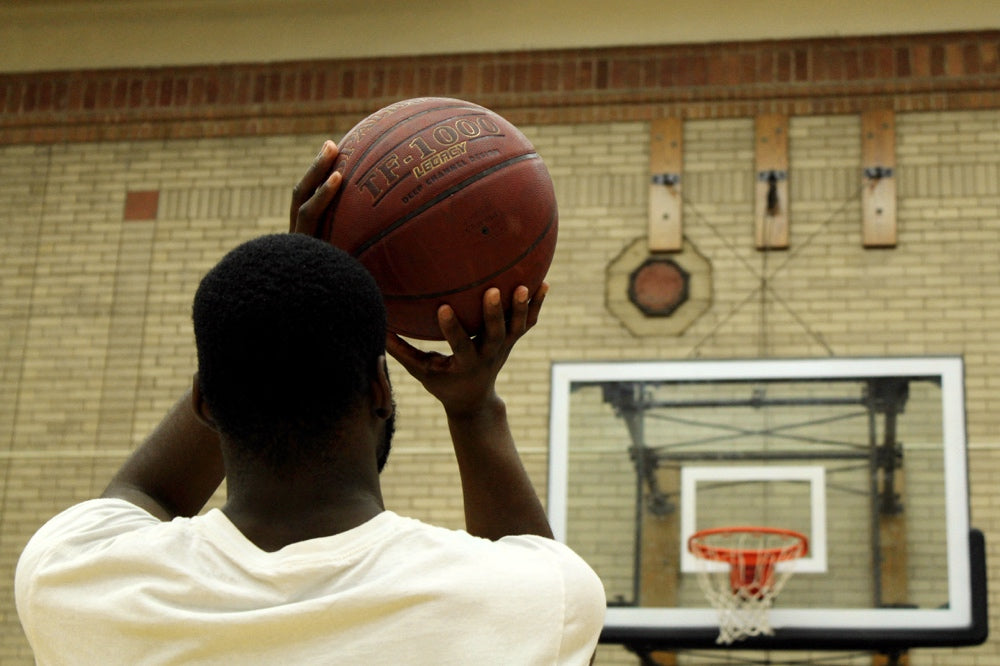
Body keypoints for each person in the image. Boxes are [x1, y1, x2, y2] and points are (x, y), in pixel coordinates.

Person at [14, 140, 606, 665]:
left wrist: (293, 280)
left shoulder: (71, 581)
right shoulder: (533, 604)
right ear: (379, 390)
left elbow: (146, 496)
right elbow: (531, 561)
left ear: (204, 401)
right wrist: (474, 409)